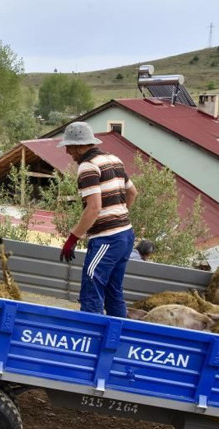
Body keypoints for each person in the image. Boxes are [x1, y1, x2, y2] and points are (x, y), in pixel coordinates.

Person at [57, 122, 138, 318]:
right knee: (113, 291)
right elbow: (132, 192)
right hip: (126, 235)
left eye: (70, 147)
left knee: (91, 286)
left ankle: (90, 332)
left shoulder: (88, 167)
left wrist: (73, 238)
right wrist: (119, 215)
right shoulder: (113, 159)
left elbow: (93, 208)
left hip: (108, 239)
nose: (67, 152)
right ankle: (117, 333)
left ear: (80, 146)